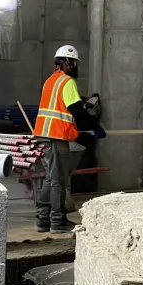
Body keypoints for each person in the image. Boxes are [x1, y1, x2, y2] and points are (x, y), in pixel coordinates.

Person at [33, 45, 105, 233]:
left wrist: (79, 132)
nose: (74, 67)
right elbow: (77, 112)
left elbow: (61, 112)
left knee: (50, 179)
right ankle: (57, 221)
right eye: (73, 63)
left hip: (43, 135)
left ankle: (43, 219)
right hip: (55, 137)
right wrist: (95, 127)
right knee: (59, 180)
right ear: (66, 62)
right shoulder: (67, 82)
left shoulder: (49, 81)